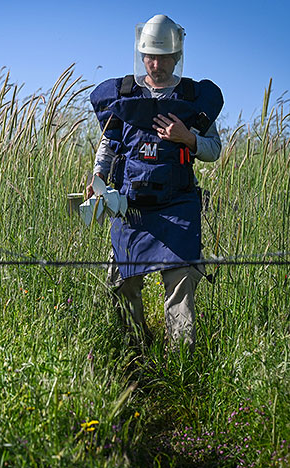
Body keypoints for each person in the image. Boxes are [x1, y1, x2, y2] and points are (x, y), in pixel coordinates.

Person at [87, 14, 223, 351]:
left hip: (178, 206)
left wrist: (187, 137)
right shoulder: (123, 94)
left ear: (176, 56)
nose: (155, 64)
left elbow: (213, 150)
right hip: (130, 206)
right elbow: (109, 143)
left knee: (181, 283)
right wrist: (99, 176)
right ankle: (135, 355)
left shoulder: (193, 98)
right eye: (150, 56)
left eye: (162, 57)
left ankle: (179, 365)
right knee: (121, 283)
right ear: (141, 54)